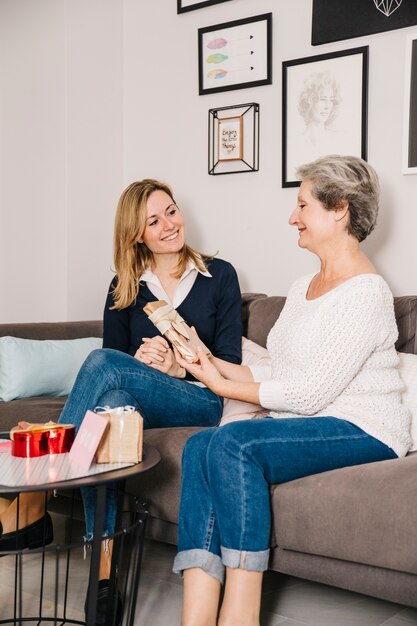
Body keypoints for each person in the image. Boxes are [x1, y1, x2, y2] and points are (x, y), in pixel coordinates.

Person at [171, 155, 412, 626]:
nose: (292, 217)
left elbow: (308, 394)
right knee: (203, 444)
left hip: (365, 428)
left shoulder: (367, 293)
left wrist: (221, 383)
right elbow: (278, 374)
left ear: (339, 209)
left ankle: (239, 616)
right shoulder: (304, 286)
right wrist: (205, 360)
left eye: (302, 205)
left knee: (234, 444)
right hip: (314, 420)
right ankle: (194, 619)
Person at [0, 179, 242, 620]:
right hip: (138, 398)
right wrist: (143, 360)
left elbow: (227, 363)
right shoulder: (124, 286)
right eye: (154, 220)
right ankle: (103, 577)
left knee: (104, 367)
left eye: (171, 211)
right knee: (109, 402)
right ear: (136, 234)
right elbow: (119, 361)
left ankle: (36, 494)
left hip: (202, 399)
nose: (170, 224)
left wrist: (175, 367)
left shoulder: (219, 275)